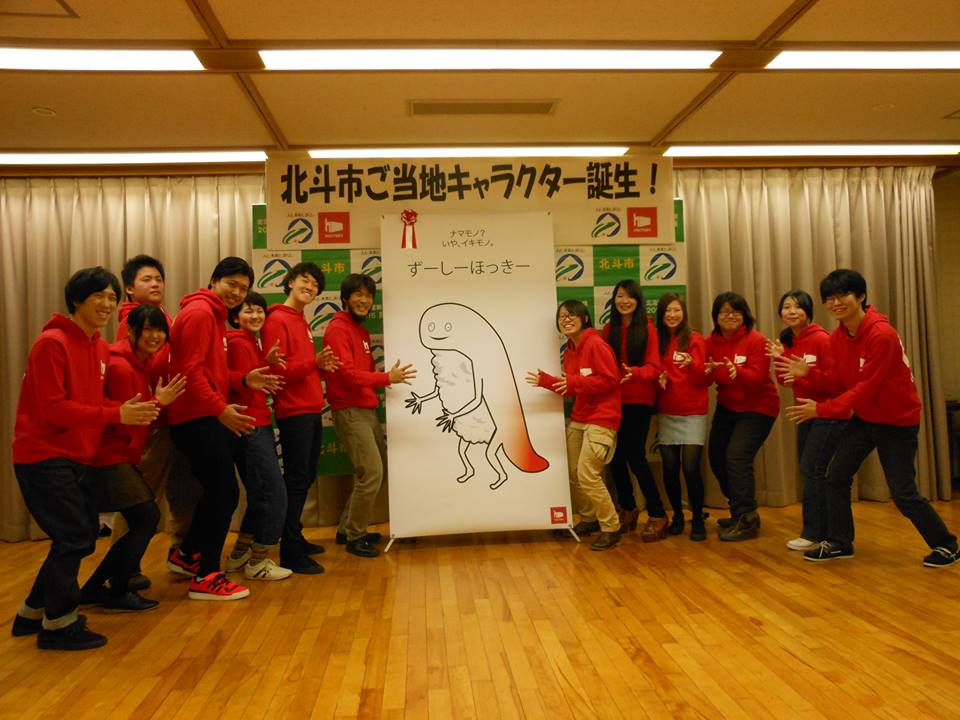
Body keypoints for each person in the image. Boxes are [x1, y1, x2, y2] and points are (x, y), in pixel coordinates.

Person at [11, 267, 158, 650]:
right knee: (76, 536)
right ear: (77, 299)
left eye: (112, 297)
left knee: (76, 535)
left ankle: (32, 613)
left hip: (78, 456)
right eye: (99, 296)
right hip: (43, 455)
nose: (107, 304)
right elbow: (52, 409)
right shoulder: (52, 343)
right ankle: (59, 625)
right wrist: (115, 414)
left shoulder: (98, 346)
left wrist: (123, 411)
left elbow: (93, 403)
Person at [785, 269, 960, 567]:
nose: (835, 303)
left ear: (861, 296)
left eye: (842, 295)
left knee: (903, 492)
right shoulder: (839, 336)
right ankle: (840, 542)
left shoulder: (882, 335)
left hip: (898, 421)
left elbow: (866, 387)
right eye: (829, 298)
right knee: (836, 477)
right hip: (867, 419)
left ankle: (947, 544)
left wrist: (822, 410)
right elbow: (841, 381)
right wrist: (809, 374)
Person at [167, 256, 281, 600]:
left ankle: (188, 555)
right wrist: (220, 409)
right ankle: (207, 576)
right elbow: (191, 372)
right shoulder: (201, 313)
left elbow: (211, 372)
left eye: (243, 288)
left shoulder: (213, 315)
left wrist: (243, 379)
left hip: (203, 414)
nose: (237, 293)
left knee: (220, 492)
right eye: (232, 284)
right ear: (214, 279)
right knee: (224, 493)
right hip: (197, 416)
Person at [81, 304, 186, 610]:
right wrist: (159, 401)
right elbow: (127, 418)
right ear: (130, 331)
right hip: (108, 456)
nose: (154, 336)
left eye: (160, 330)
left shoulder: (141, 364)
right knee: (146, 517)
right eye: (147, 329)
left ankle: (94, 589)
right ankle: (116, 589)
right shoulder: (121, 366)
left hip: (121, 454)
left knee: (143, 517)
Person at [113, 254, 199, 591]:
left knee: (184, 490)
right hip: (151, 422)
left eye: (158, 279)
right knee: (140, 497)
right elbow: (135, 374)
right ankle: (122, 568)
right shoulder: (132, 321)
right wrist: (154, 405)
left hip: (174, 417)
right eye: (146, 279)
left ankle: (181, 553)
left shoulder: (164, 316)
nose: (155, 284)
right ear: (129, 288)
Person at [322, 274, 416, 558]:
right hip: (349, 410)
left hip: (366, 408)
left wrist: (383, 377)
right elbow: (347, 375)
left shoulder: (361, 332)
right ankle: (355, 536)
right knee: (372, 472)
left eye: (368, 295)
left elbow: (363, 373)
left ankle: (346, 529)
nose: (364, 300)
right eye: (358, 294)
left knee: (377, 470)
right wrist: (386, 377)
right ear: (345, 298)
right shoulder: (337, 329)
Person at [262, 262, 339, 574]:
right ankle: (290, 551)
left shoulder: (300, 319)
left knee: (304, 478)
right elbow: (277, 372)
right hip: (294, 410)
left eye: (315, 285)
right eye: (305, 280)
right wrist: (313, 364)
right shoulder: (276, 319)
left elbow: (301, 367)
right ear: (290, 281)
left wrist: (318, 367)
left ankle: (295, 536)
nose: (310, 287)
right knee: (296, 480)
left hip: (310, 408)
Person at [526, 300, 622, 551]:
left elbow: (611, 380)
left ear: (585, 318)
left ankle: (611, 527)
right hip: (580, 417)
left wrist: (575, 382)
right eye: (562, 317)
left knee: (588, 474)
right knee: (573, 473)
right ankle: (589, 519)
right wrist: (546, 381)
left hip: (602, 418)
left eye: (571, 315)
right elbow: (570, 387)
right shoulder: (570, 350)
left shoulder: (596, 344)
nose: (566, 320)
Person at [223, 291, 293, 581]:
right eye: (248, 311)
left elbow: (251, 377)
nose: (255, 316)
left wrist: (267, 359)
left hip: (255, 423)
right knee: (274, 494)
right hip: (250, 425)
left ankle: (240, 554)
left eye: (259, 311)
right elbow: (239, 385)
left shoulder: (250, 342)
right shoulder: (238, 342)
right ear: (235, 316)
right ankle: (259, 561)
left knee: (260, 494)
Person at [768, 290, 844, 552]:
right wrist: (780, 358)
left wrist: (806, 375)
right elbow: (785, 381)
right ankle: (821, 531)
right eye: (786, 307)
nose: (791, 311)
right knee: (809, 469)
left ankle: (815, 533)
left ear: (808, 311)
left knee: (812, 468)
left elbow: (836, 383)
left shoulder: (822, 339)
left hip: (827, 413)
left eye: (798, 307)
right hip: (805, 413)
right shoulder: (788, 341)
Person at [705, 292, 780, 541]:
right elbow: (703, 375)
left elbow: (757, 379)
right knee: (716, 456)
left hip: (759, 406)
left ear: (744, 315)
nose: (730, 316)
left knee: (736, 457)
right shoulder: (710, 342)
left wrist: (736, 371)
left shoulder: (756, 340)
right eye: (724, 312)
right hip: (728, 405)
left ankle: (747, 518)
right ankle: (739, 509)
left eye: (735, 311)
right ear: (716, 316)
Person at [601, 280, 666, 541]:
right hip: (614, 401)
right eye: (619, 296)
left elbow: (654, 368)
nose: (624, 301)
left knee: (636, 457)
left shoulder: (648, 329)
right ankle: (628, 509)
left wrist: (634, 373)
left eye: (629, 296)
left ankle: (658, 514)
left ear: (638, 301)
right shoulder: (609, 329)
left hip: (639, 400)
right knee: (615, 458)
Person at [654, 293, 709, 541]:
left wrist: (692, 364)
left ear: (684, 313)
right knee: (669, 467)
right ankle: (677, 515)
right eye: (667, 311)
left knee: (690, 467)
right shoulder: (658, 340)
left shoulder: (695, 339)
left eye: (676, 310)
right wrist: (659, 379)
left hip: (693, 412)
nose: (672, 315)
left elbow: (704, 378)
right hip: (667, 411)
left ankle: (697, 518)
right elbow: (653, 370)